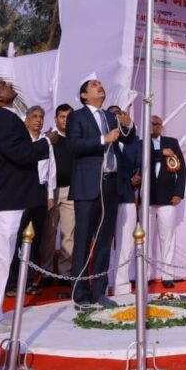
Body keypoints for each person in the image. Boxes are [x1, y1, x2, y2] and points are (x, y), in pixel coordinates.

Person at [0, 78, 58, 333]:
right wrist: (46, 142)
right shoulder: (3, 119)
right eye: (2, 85)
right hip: (6, 198)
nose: (9, 85)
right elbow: (20, 154)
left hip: (10, 197)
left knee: (1, 256)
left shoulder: (6, 118)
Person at [67, 78, 136, 306]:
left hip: (110, 185)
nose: (100, 86)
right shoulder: (77, 116)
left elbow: (129, 139)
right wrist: (102, 139)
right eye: (94, 85)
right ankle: (80, 294)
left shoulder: (109, 116)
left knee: (104, 241)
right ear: (84, 94)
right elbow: (73, 146)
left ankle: (99, 292)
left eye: (101, 84)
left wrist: (127, 125)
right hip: (88, 186)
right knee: (83, 240)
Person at [6, 105, 56, 295]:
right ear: (26, 120)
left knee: (35, 239)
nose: (38, 120)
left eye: (41, 117)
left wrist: (50, 196)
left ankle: (27, 281)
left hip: (40, 192)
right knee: (17, 237)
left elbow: (52, 170)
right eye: (34, 116)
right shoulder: (20, 141)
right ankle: (11, 283)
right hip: (21, 191)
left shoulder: (46, 141)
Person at [38, 103, 75, 285]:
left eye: (69, 116)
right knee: (48, 233)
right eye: (62, 116)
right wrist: (47, 195)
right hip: (51, 191)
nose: (65, 120)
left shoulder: (76, 139)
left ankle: (64, 273)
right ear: (56, 118)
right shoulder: (49, 139)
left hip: (71, 191)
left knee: (69, 234)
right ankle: (46, 273)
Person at [108, 104, 142, 297]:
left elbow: (141, 164)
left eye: (119, 114)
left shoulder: (134, 141)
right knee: (103, 241)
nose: (116, 118)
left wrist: (139, 176)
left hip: (128, 195)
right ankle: (102, 283)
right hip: (106, 196)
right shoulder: (104, 139)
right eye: (112, 115)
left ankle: (121, 284)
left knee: (126, 242)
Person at [149, 114, 186, 290]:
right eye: (149, 124)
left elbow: (182, 170)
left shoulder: (172, 142)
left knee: (167, 238)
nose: (152, 126)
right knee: (146, 238)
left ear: (161, 126)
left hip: (167, 197)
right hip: (147, 198)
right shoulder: (142, 144)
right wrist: (159, 153)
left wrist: (179, 193)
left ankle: (167, 276)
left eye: (155, 124)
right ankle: (145, 274)